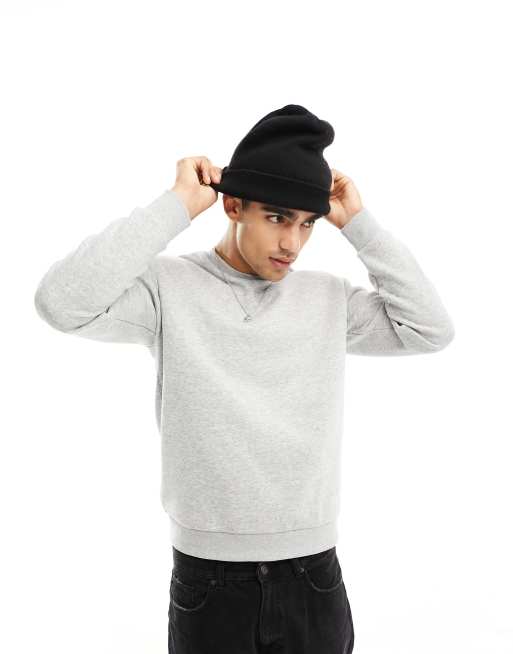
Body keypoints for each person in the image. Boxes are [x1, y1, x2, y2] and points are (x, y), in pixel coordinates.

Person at [34, 104, 455, 654]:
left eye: (307, 224)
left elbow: (430, 329)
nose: (292, 243)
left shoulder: (328, 299)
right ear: (233, 206)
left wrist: (359, 225)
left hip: (312, 575)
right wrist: (175, 206)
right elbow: (61, 303)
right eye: (278, 218)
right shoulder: (168, 289)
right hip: (209, 579)